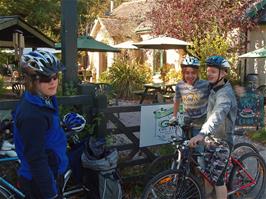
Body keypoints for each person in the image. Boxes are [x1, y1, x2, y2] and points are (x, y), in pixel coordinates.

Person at [13, 50, 67, 199]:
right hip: (41, 181)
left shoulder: (44, 99)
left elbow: (45, 132)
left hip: (52, 172)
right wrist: (51, 194)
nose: (53, 81)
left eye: (55, 76)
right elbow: (36, 159)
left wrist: (62, 128)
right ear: (31, 80)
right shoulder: (33, 115)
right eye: (45, 77)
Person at [189, 55, 237, 199]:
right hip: (211, 139)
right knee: (207, 175)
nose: (209, 74)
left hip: (222, 142)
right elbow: (207, 111)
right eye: (208, 71)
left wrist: (201, 134)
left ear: (223, 73)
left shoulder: (225, 94)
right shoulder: (214, 89)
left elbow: (217, 115)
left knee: (218, 180)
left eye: (213, 72)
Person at [170, 55, 210, 142]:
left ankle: (200, 154)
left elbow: (215, 95)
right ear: (183, 73)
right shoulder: (180, 85)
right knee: (185, 144)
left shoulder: (205, 84)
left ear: (197, 73)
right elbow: (177, 100)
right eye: (187, 73)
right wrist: (174, 116)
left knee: (197, 144)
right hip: (187, 118)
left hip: (201, 118)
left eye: (193, 73)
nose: (190, 76)